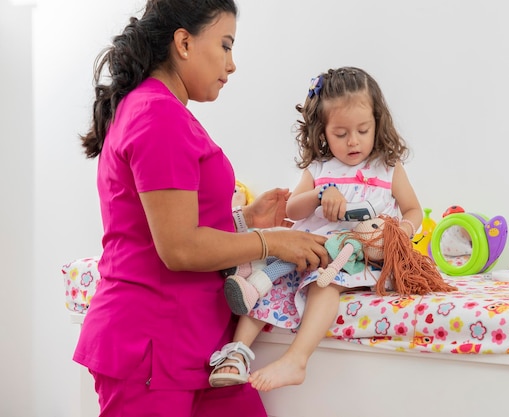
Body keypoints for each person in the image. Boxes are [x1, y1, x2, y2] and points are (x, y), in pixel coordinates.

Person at [72, 1, 329, 416]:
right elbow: (179, 248)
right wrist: (272, 241)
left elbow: (168, 223)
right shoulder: (156, 115)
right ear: (184, 43)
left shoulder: (159, 110)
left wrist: (244, 221)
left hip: (197, 346)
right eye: (225, 46)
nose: (232, 64)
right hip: (151, 348)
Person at [209, 66, 455, 392]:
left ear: (377, 124)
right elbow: (293, 208)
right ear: (323, 132)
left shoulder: (388, 169)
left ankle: (297, 359)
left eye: (363, 130)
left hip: (358, 257)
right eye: (340, 134)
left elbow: (412, 209)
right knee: (270, 280)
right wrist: (320, 194)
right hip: (311, 251)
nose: (353, 141)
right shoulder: (320, 169)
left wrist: (398, 232)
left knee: (325, 284)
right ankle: (237, 353)